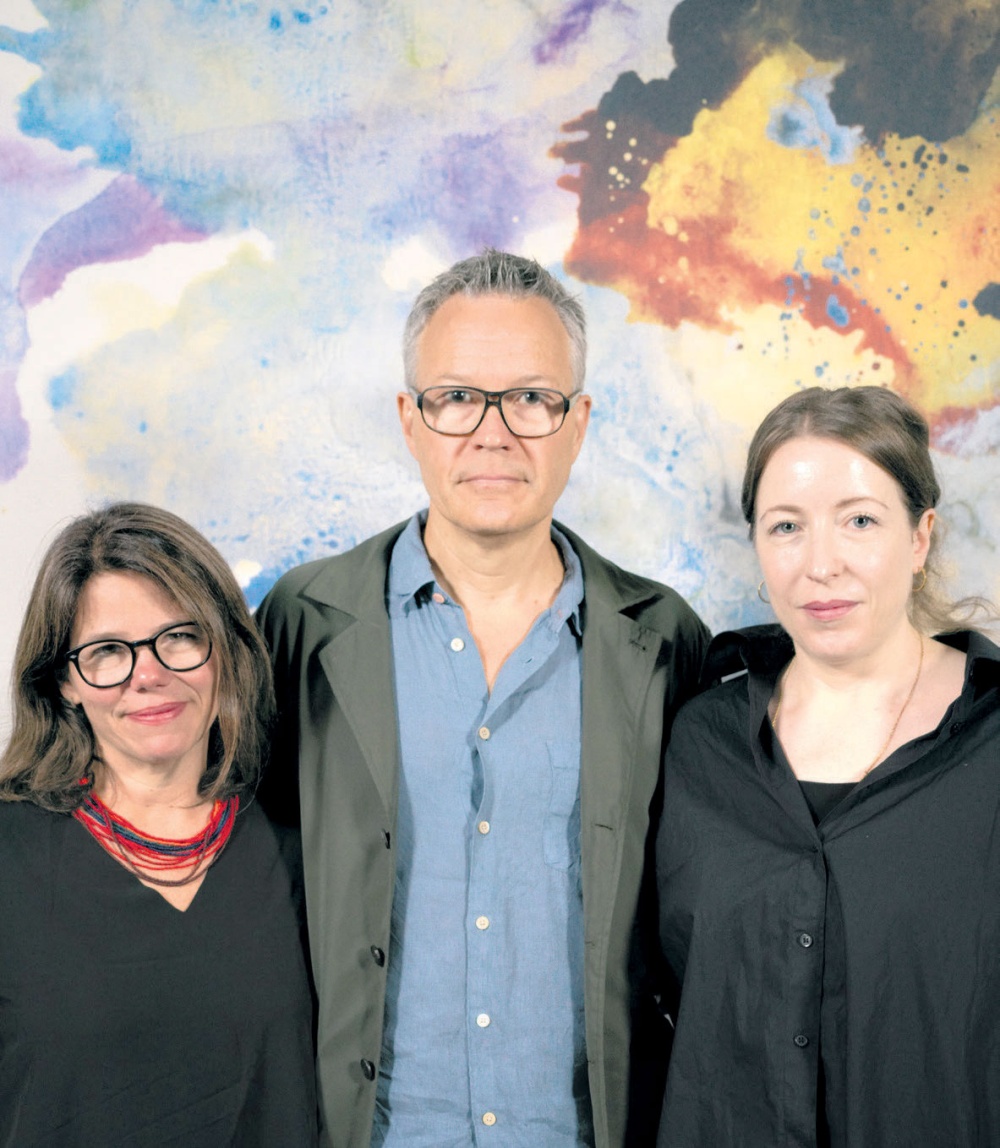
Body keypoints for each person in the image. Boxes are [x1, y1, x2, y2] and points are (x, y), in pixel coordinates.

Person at [257, 248, 709, 1147]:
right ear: (410, 420)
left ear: (578, 423)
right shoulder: (303, 624)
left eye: (532, 398)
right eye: (457, 397)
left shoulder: (663, 642)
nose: (493, 433)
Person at [654, 385, 1000, 1147]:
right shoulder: (700, 741)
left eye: (860, 521)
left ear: (920, 537)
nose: (821, 565)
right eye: (787, 526)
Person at [0, 502, 318, 1147]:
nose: (149, 675)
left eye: (179, 637)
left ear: (225, 650)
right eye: (106, 651)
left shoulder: (308, 844)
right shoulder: (9, 854)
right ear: (63, 681)